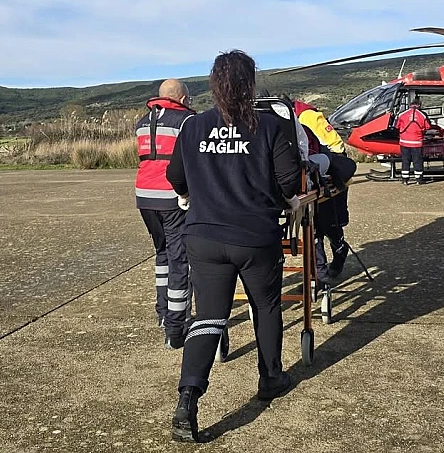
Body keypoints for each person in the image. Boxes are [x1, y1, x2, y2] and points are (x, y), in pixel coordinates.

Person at [166, 50, 302, 443]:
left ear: (213, 83)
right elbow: (289, 182)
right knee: (266, 305)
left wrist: (198, 191)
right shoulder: (272, 125)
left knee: (208, 316)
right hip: (255, 236)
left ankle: (188, 399)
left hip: (204, 235)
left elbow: (176, 176)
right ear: (251, 83)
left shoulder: (193, 127)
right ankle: (270, 377)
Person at [135, 78, 195, 349]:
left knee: (162, 255)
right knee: (179, 259)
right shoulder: (185, 121)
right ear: (182, 99)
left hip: (144, 197)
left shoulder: (142, 122)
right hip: (172, 197)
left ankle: (162, 312)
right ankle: (176, 324)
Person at [287, 96, 353, 282]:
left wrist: (325, 167)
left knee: (330, 224)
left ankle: (339, 249)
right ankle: (318, 276)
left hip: (330, 175)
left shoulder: (307, 116)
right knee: (312, 229)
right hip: (307, 179)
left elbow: (335, 145)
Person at [394, 96, 432, 185]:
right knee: (417, 161)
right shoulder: (422, 114)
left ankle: (405, 180)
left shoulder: (402, 114)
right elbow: (428, 127)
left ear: (410, 105)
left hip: (404, 142)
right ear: (419, 105)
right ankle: (419, 180)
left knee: (405, 161)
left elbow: (397, 126)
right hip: (417, 143)